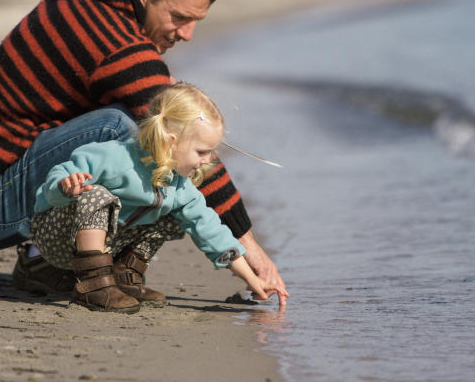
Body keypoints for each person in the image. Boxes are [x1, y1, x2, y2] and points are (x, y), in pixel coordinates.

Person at [0, 0, 288, 306]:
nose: (186, 35)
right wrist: (250, 246)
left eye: (195, 22)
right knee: (129, 130)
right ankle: (87, 274)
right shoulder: (117, 42)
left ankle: (50, 264)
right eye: (179, 17)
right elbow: (186, 134)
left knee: (145, 146)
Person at [31, 83, 286, 313]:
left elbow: (211, 232)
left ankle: (123, 276)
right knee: (96, 194)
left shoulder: (180, 187)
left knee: (180, 217)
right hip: (58, 236)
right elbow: (55, 180)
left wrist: (253, 281)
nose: (208, 160)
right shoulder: (114, 157)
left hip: (109, 245)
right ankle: (94, 286)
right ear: (170, 141)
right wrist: (65, 187)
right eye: (202, 152)